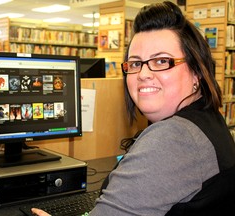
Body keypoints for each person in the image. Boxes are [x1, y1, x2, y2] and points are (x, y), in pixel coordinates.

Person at [32, 1, 235, 215]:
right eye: (136, 63)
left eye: (161, 61)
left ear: (197, 72)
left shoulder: (174, 137)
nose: (143, 74)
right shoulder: (208, 120)